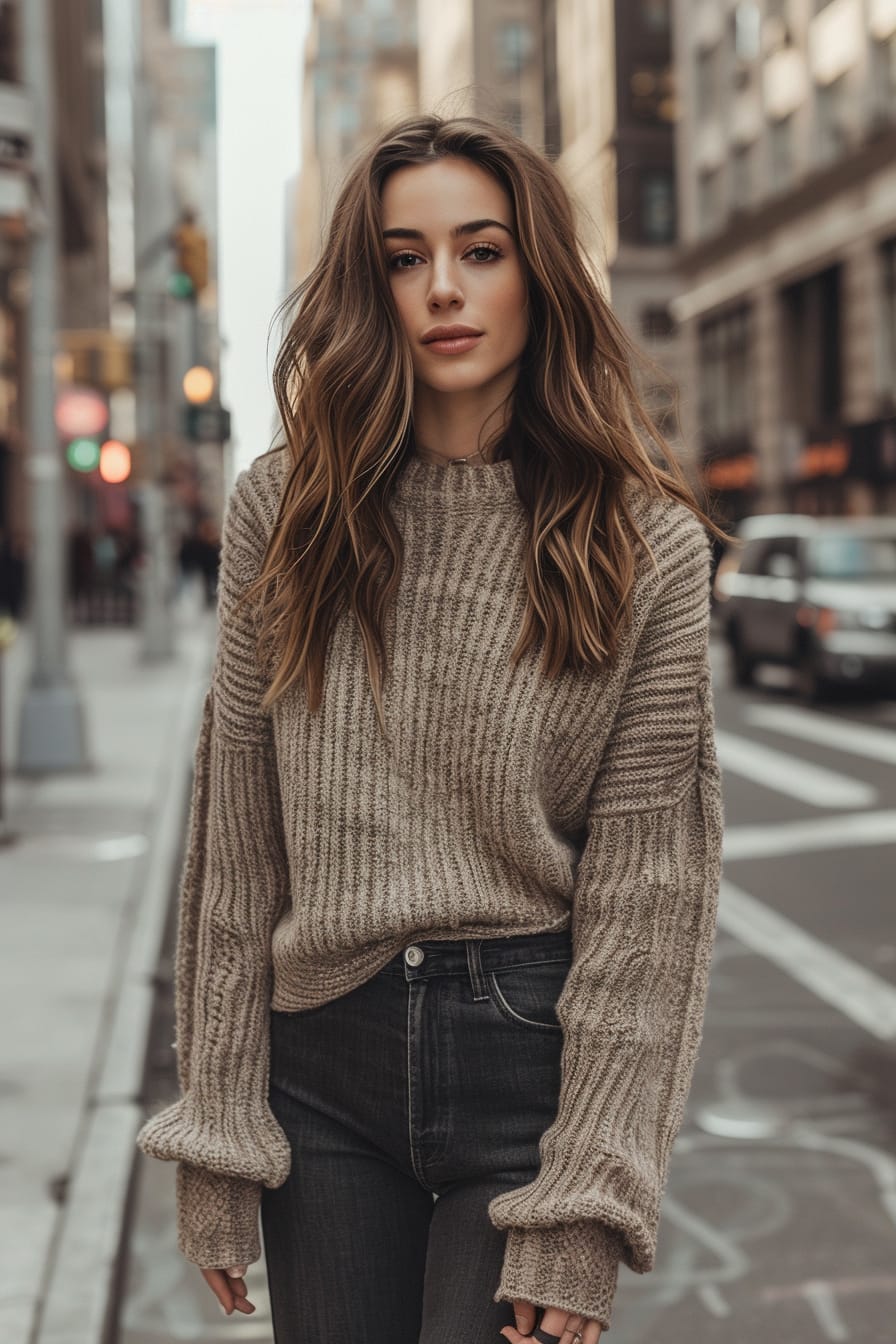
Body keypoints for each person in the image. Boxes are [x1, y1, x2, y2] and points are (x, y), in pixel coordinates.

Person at [136, 113, 730, 1344]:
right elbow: (239, 844)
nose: (443, 289)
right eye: (404, 258)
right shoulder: (284, 512)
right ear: (371, 287)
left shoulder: (644, 543)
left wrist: (589, 1192)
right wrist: (219, 1132)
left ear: (539, 274)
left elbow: (645, 894)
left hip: (526, 1056)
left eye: (482, 250)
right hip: (323, 1070)